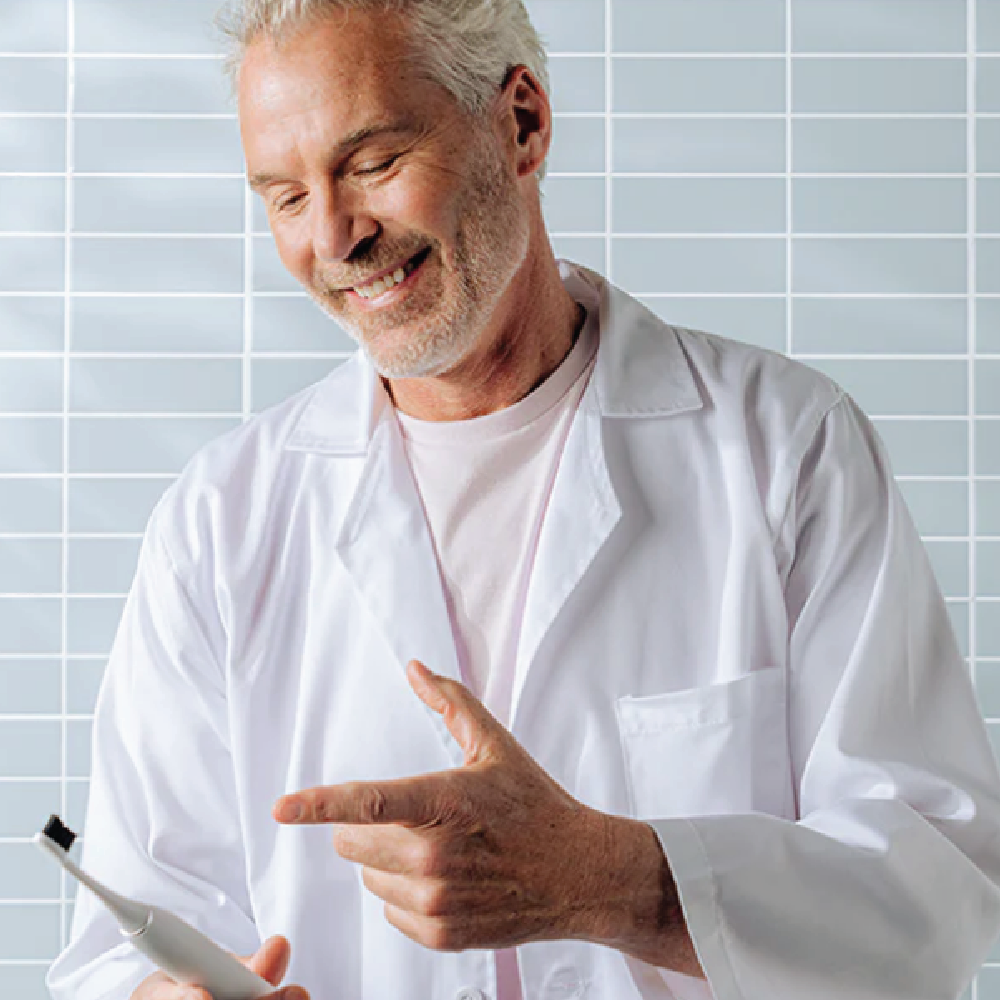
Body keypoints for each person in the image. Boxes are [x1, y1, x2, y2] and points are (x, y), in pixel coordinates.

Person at [46, 1, 1000, 998]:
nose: (333, 235)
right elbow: (122, 946)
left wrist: (606, 878)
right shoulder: (218, 523)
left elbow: (929, 904)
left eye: (371, 162)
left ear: (522, 123)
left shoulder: (785, 452)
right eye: (285, 196)